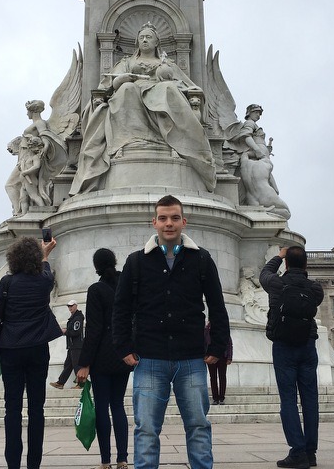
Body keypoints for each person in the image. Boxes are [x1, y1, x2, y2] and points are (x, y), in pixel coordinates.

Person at [112, 194, 230, 469]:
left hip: (191, 358)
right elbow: (121, 308)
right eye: (163, 218)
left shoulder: (201, 259)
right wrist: (123, 347)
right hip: (149, 358)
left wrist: (217, 346)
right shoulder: (136, 261)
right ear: (153, 222)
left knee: (199, 426)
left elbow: (217, 305)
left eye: (174, 218)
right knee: (147, 430)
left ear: (184, 222)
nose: (169, 224)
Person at [69, 22, 216, 196]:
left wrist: (167, 75)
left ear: (156, 42)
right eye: (141, 37)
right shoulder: (127, 62)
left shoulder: (166, 62)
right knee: (127, 89)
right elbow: (108, 85)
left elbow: (185, 85)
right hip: (131, 92)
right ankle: (130, 141)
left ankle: (171, 141)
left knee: (168, 89)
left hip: (159, 91)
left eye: (149, 37)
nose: (145, 40)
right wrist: (122, 79)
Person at [0, 236, 62, 469]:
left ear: (13, 258)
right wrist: (45, 255)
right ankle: (34, 464)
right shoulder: (44, 280)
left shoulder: (6, 283)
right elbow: (47, 271)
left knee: (12, 408)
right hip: (37, 349)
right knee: (36, 409)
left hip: (11, 348)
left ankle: (13, 463)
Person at [259, 246, 324, 469]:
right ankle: (310, 451)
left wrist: (279, 255)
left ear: (286, 264)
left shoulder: (276, 284)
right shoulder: (315, 289)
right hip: (307, 344)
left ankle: (297, 452)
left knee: (288, 399)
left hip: (284, 345)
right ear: (306, 264)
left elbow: (264, 274)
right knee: (310, 399)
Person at [77, 249, 132, 469]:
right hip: (122, 355)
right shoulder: (124, 287)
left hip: (101, 357)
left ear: (96, 266)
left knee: (102, 407)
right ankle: (123, 458)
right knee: (118, 405)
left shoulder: (96, 290)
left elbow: (94, 330)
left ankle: (105, 460)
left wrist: (84, 363)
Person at [225, 104, 290, 220]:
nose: (258, 116)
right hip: (258, 156)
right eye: (256, 112)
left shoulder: (254, 124)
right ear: (249, 113)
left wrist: (265, 150)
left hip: (261, 156)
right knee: (267, 186)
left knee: (270, 186)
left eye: (260, 113)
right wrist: (257, 150)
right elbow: (246, 137)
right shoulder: (249, 123)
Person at [5, 100, 67, 216]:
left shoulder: (39, 123)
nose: (26, 114)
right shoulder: (35, 124)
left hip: (28, 160)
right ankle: (19, 212)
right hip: (24, 159)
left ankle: (19, 212)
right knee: (15, 186)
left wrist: (45, 147)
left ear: (32, 110)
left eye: (27, 111)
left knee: (10, 185)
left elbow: (45, 136)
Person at [50, 300, 84, 390]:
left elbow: (77, 331)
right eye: (68, 306)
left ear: (76, 306)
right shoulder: (74, 318)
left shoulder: (78, 318)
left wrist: (66, 331)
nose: (70, 308)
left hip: (76, 346)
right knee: (68, 365)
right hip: (72, 346)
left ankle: (81, 384)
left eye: (71, 306)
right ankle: (60, 383)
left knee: (77, 365)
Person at [205, 321, 233, 405]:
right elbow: (204, 343)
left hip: (222, 356)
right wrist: (205, 355)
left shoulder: (223, 329)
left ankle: (221, 397)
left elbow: (229, 344)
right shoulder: (206, 330)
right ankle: (215, 398)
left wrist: (229, 357)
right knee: (213, 377)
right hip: (210, 356)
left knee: (222, 376)